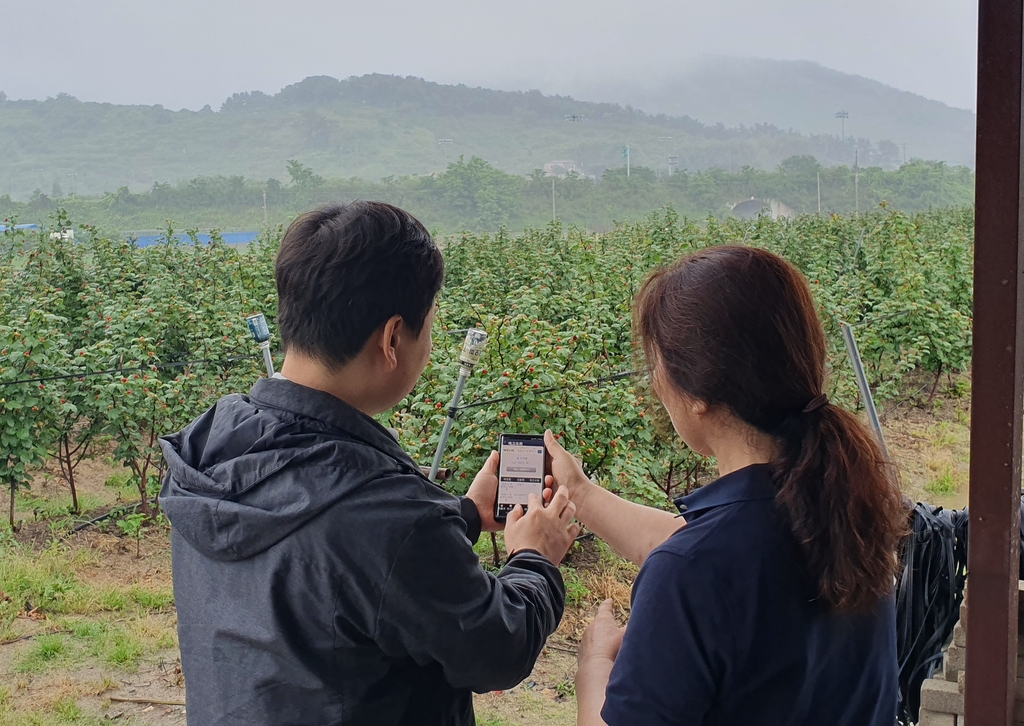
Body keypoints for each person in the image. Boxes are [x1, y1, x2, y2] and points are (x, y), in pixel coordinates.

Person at [159, 201, 579, 725]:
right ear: (392, 338)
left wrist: (464, 515)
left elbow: (344, 567)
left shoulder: (214, 444)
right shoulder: (389, 517)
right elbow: (495, 648)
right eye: (429, 327)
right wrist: (535, 559)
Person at [546, 244, 906, 726]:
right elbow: (701, 548)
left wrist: (593, 670)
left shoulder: (693, 572)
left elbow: (699, 561)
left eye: (657, 365)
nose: (655, 383)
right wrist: (582, 495)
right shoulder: (846, 506)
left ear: (699, 392)